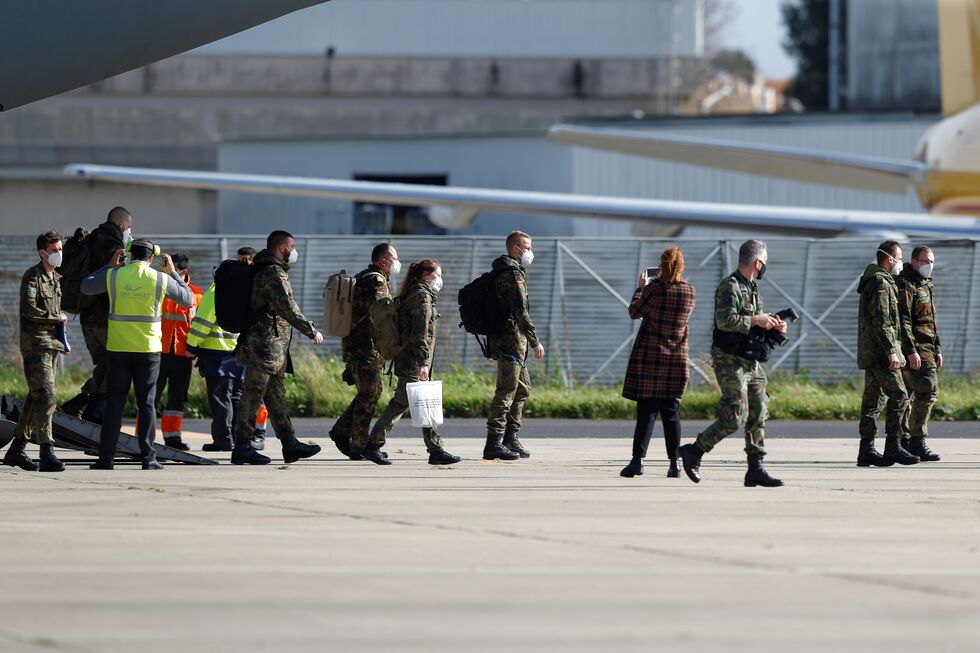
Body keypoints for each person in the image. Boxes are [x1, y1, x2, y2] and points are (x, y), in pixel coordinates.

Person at [677, 239, 786, 487]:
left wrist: (774, 328)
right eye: (765, 261)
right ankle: (694, 451)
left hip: (750, 361)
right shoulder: (730, 287)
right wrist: (756, 320)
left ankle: (755, 468)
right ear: (757, 262)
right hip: (729, 361)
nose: (765, 265)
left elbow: (754, 327)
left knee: (759, 409)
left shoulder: (752, 288)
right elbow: (725, 320)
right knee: (735, 416)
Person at [80, 238, 194, 469]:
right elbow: (188, 299)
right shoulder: (160, 278)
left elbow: (86, 286)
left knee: (114, 403)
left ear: (130, 255)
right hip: (148, 350)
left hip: (118, 348)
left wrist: (109, 266)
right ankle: (148, 458)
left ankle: (106, 459)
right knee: (147, 404)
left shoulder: (114, 275)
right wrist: (173, 273)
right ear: (152, 257)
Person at [231, 231, 324, 465]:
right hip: (264, 345)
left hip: (273, 346)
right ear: (282, 247)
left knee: (275, 397)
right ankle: (242, 447)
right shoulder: (273, 273)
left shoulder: (269, 269)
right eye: (292, 246)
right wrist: (311, 330)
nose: (294, 251)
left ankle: (289, 444)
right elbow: (287, 307)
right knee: (253, 396)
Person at [366, 259, 461, 465]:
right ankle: (373, 445)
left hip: (409, 358)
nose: (440, 279)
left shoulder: (413, 293)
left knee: (414, 402)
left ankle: (434, 450)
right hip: (413, 360)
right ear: (426, 275)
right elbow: (420, 334)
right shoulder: (422, 297)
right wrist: (423, 363)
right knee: (407, 403)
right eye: (438, 275)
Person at [619, 246, 696, 479]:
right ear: (681, 266)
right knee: (672, 414)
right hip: (676, 359)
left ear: (661, 266)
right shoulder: (690, 292)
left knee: (647, 414)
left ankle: (637, 461)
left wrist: (639, 289)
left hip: (651, 359)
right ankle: (675, 465)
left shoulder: (653, 289)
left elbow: (634, 312)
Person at [3, 231, 69, 472]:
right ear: (43, 253)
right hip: (35, 345)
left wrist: (62, 340)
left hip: (51, 344)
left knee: (36, 397)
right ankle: (46, 450)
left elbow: (58, 318)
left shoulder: (55, 279)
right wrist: (56, 317)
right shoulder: (33, 277)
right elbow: (29, 310)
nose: (59, 254)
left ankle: (17, 449)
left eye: (60, 249)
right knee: (48, 396)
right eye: (55, 251)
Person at [61, 206, 134, 424]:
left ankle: (79, 405)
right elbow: (120, 281)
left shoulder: (91, 239)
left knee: (104, 365)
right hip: (105, 317)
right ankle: (95, 411)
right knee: (116, 366)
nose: (130, 231)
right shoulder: (113, 246)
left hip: (86, 316)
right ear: (121, 224)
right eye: (129, 227)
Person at [328, 243, 399, 460]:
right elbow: (381, 313)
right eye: (394, 258)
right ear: (382, 260)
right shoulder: (375, 280)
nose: (397, 262)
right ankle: (358, 445)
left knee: (369, 392)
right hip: (365, 346)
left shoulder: (365, 276)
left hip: (359, 344)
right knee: (370, 393)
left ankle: (342, 432)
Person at [855, 241, 918, 466]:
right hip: (882, 352)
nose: (901, 263)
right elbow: (882, 322)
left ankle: (867, 450)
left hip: (873, 351)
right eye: (899, 258)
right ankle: (893, 445)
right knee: (900, 395)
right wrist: (892, 351)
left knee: (873, 400)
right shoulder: (880, 283)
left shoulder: (874, 280)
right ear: (890, 259)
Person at [484, 231, 544, 461]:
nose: (530, 252)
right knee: (507, 390)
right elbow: (520, 311)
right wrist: (535, 340)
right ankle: (494, 442)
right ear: (516, 249)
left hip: (512, 342)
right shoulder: (512, 274)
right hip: (510, 342)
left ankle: (510, 436)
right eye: (527, 248)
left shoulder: (508, 271)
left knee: (522, 388)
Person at [186, 274, 243, 452]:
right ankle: (235, 438)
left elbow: (203, 322)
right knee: (235, 397)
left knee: (220, 398)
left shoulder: (215, 291)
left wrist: (191, 346)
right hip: (239, 351)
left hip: (217, 353)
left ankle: (223, 440)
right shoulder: (242, 290)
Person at [897, 245, 942, 462]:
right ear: (914, 262)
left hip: (928, 346)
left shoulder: (926, 284)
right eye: (925, 261)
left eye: (932, 261)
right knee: (927, 389)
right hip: (914, 346)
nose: (929, 266)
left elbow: (931, 321)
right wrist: (911, 350)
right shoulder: (906, 284)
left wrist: (938, 348)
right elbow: (904, 321)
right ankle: (916, 439)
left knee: (911, 394)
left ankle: (906, 439)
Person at [154, 252, 203, 450]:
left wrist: (197, 349)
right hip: (159, 350)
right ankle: (142, 437)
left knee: (178, 396)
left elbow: (200, 324)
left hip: (184, 353)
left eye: (172, 270)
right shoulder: (159, 289)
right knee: (150, 395)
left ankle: (173, 438)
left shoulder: (196, 294)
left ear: (183, 271)